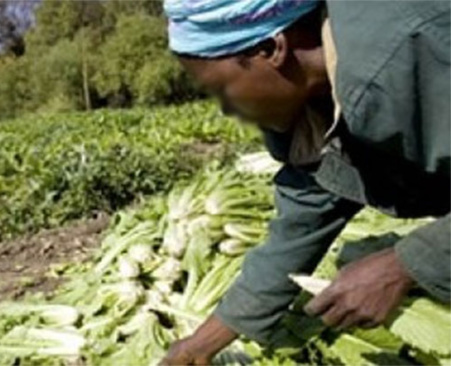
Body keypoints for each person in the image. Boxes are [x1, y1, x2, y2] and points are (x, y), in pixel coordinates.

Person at [160, 0, 451, 364]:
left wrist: (403, 265)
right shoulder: (314, 105)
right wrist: (200, 345)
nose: (226, 111)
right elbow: (305, 215)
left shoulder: (404, 57)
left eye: (223, 91)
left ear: (271, 49)